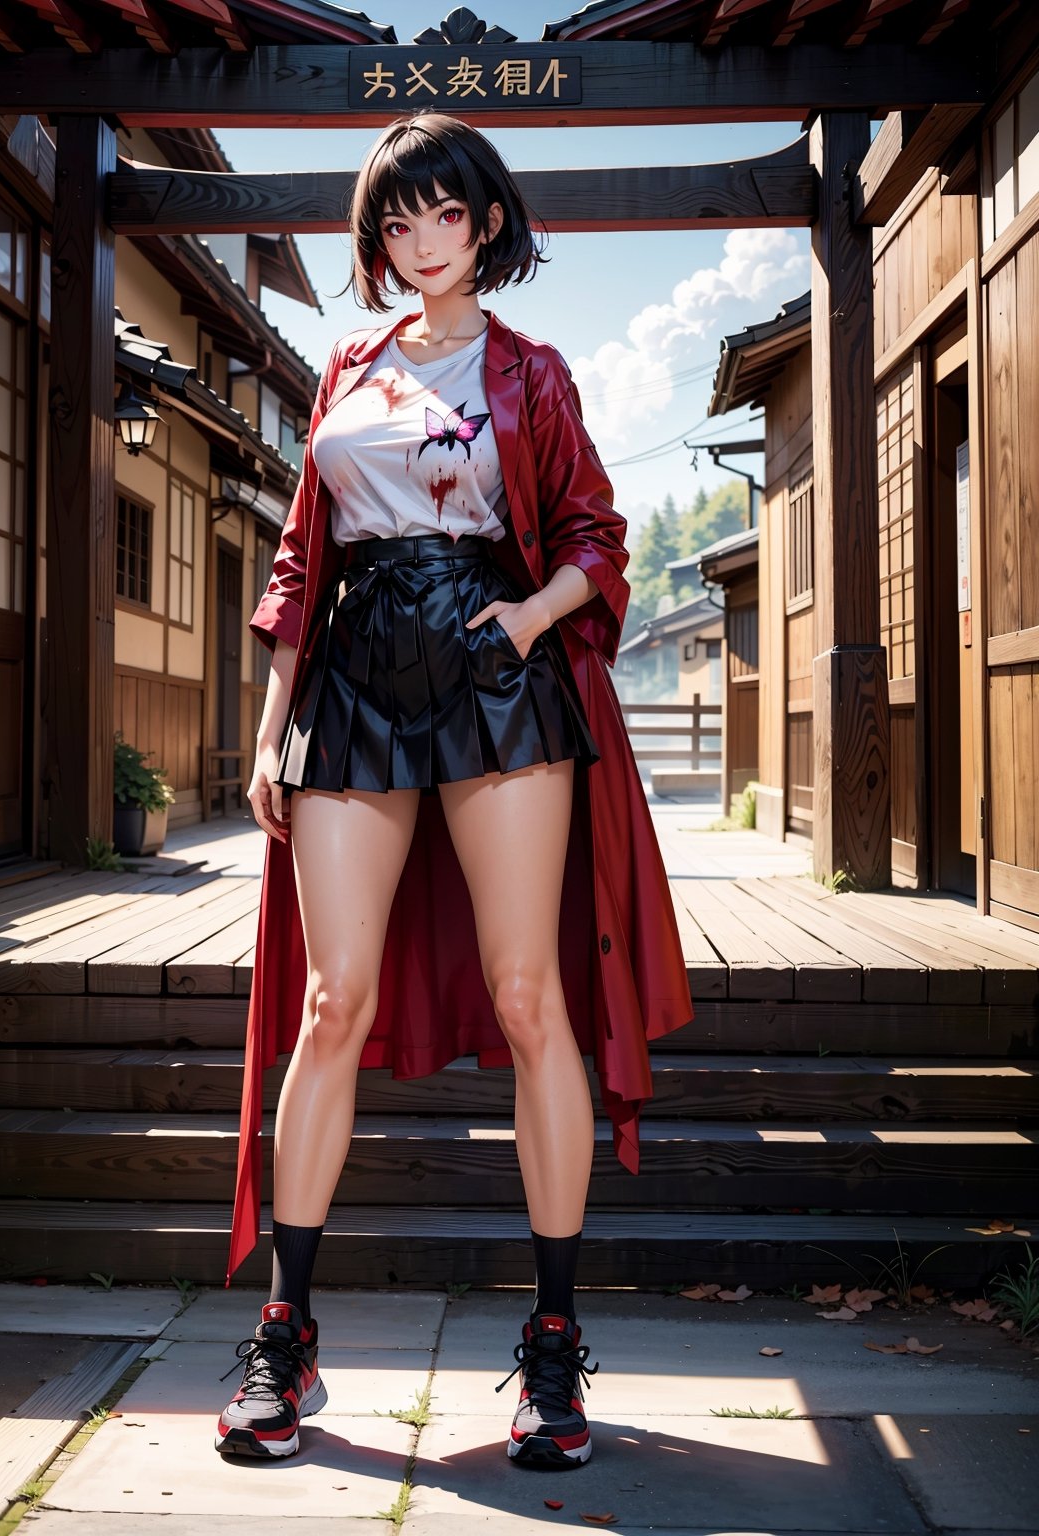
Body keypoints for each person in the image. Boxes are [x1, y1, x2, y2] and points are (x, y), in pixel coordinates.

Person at [216, 111, 694, 1471]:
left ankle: (552, 1352)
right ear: (379, 240)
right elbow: (301, 566)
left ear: (485, 222)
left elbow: (597, 532)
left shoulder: (533, 372)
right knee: (331, 996)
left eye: (441, 213)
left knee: (532, 991)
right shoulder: (344, 370)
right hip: (351, 680)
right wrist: (268, 733)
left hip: (497, 680)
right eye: (394, 221)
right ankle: (284, 1342)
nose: (416, 239)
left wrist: (535, 617)